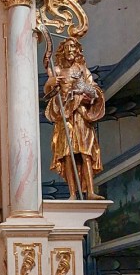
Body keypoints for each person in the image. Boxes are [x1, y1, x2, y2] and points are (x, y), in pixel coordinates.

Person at [44, 37, 104, 200]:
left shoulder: (83, 70)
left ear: (77, 50)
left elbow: (94, 89)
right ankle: (72, 193)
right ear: (63, 50)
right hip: (65, 117)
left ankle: (90, 191)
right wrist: (50, 83)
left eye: (73, 47)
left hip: (81, 115)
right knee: (67, 154)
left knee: (86, 153)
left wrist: (88, 96)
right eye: (67, 47)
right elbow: (48, 94)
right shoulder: (56, 70)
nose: (70, 50)